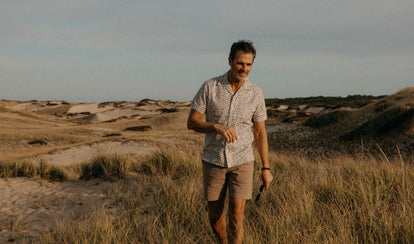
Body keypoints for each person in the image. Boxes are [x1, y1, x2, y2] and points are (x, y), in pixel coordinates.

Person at [187, 40, 273, 244]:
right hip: (213, 159)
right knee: (214, 217)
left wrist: (266, 168)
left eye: (249, 64)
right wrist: (215, 126)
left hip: (243, 160)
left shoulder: (256, 93)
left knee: (237, 215)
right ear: (230, 61)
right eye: (240, 63)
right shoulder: (210, 87)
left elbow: (260, 132)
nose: (244, 68)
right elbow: (192, 122)